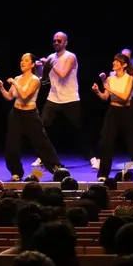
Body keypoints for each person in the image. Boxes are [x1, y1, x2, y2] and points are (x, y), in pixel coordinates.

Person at [35, 32, 99, 169]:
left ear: (65, 43)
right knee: (43, 127)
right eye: (54, 41)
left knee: (78, 129)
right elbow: (42, 77)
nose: (56, 43)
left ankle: (92, 157)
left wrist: (50, 63)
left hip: (70, 98)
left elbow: (63, 74)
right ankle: (43, 155)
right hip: (53, 97)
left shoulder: (70, 56)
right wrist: (39, 66)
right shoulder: (51, 57)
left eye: (59, 41)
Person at [0, 53, 63, 181]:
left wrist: (15, 83)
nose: (22, 62)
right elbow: (9, 97)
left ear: (32, 64)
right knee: (12, 143)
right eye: (22, 60)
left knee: (41, 142)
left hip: (30, 114)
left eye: (26, 60)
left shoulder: (35, 80)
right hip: (16, 113)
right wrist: (1, 88)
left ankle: (57, 169)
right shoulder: (17, 77)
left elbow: (25, 96)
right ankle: (16, 171)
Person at [91, 54, 133, 182]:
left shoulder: (129, 78)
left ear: (124, 65)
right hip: (113, 112)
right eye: (114, 60)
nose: (114, 63)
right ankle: (103, 174)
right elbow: (105, 97)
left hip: (127, 112)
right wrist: (98, 91)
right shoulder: (110, 79)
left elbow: (125, 97)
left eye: (117, 61)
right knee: (106, 142)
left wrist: (109, 88)